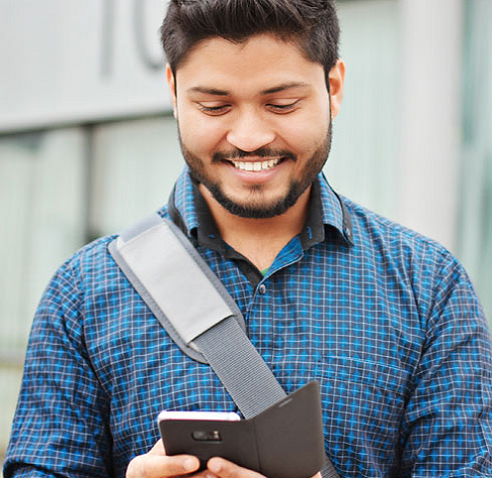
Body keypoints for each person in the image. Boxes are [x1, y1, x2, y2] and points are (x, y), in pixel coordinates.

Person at [4, 1, 492, 477]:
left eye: (282, 104)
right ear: (173, 92)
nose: (251, 137)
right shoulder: (83, 291)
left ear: (334, 87)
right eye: (215, 106)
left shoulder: (428, 287)